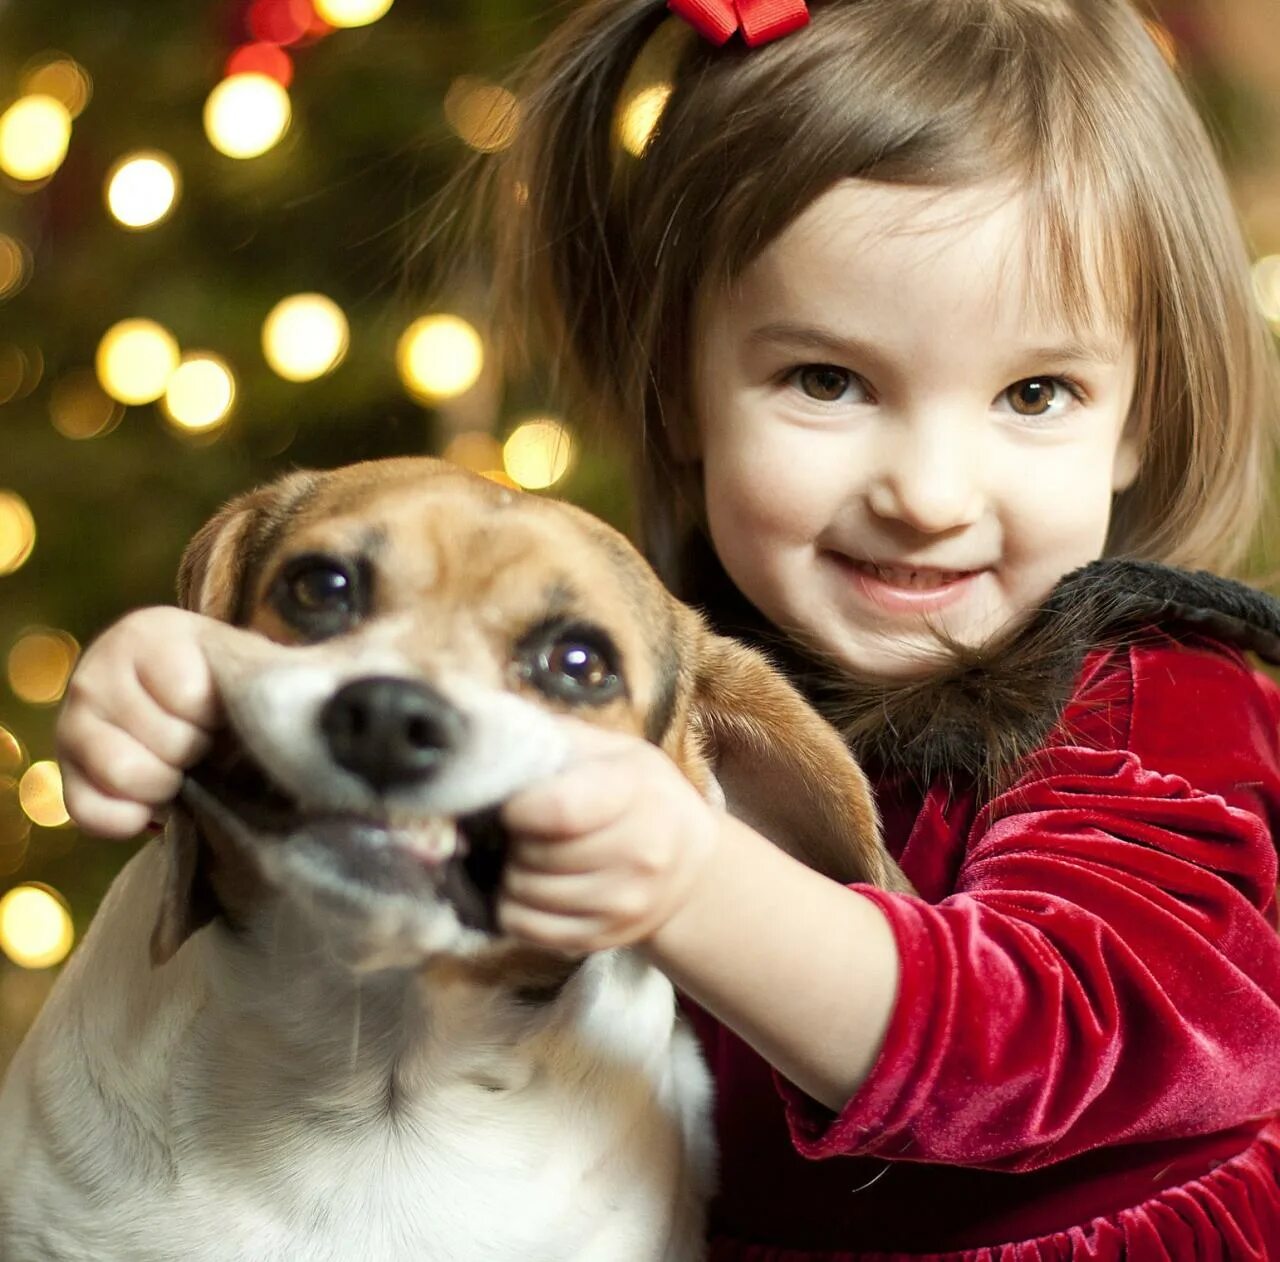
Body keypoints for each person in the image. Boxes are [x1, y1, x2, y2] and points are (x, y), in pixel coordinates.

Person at [54, 0, 1280, 1257]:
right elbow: (392, 801)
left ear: (1138, 415)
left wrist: (689, 873)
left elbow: (1047, 1039)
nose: (926, 491)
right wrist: (201, 690)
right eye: (826, 379)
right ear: (680, 388)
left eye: (1034, 392)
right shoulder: (657, 662)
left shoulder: (1154, 702)